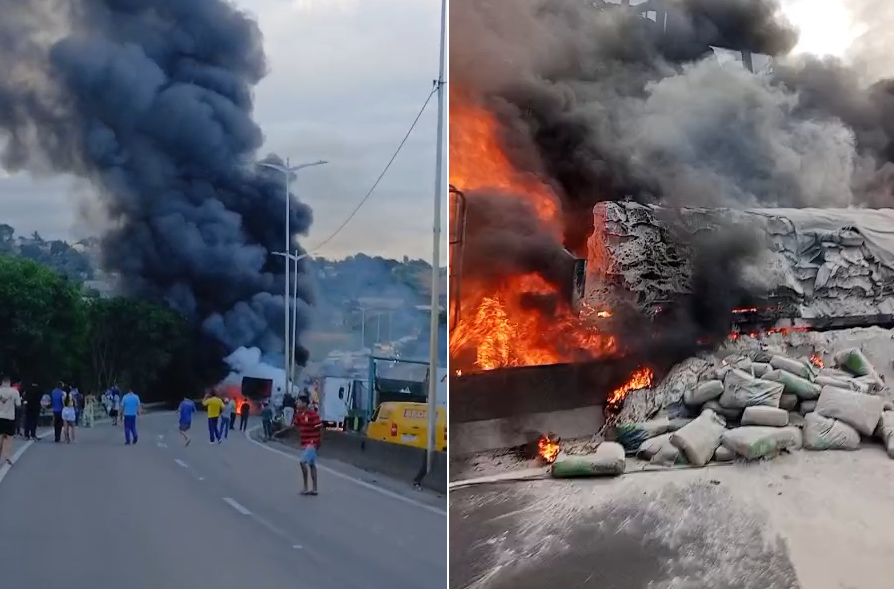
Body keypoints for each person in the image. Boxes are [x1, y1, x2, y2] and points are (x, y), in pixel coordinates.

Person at [294, 394, 322, 496]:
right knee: (312, 465)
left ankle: (306, 487)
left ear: (305, 404)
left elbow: (320, 427)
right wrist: (281, 433)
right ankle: (314, 489)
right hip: (304, 443)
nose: (297, 404)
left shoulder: (312, 414)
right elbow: (294, 427)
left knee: (302, 462)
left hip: (312, 443)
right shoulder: (299, 415)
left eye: (299, 402)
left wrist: (319, 441)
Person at [0, 377, 22, 466]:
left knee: (0, 437)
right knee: (9, 438)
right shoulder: (14, 392)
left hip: (0, 417)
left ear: (2, 382)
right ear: (9, 383)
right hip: (10, 417)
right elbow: (18, 405)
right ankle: (8, 456)